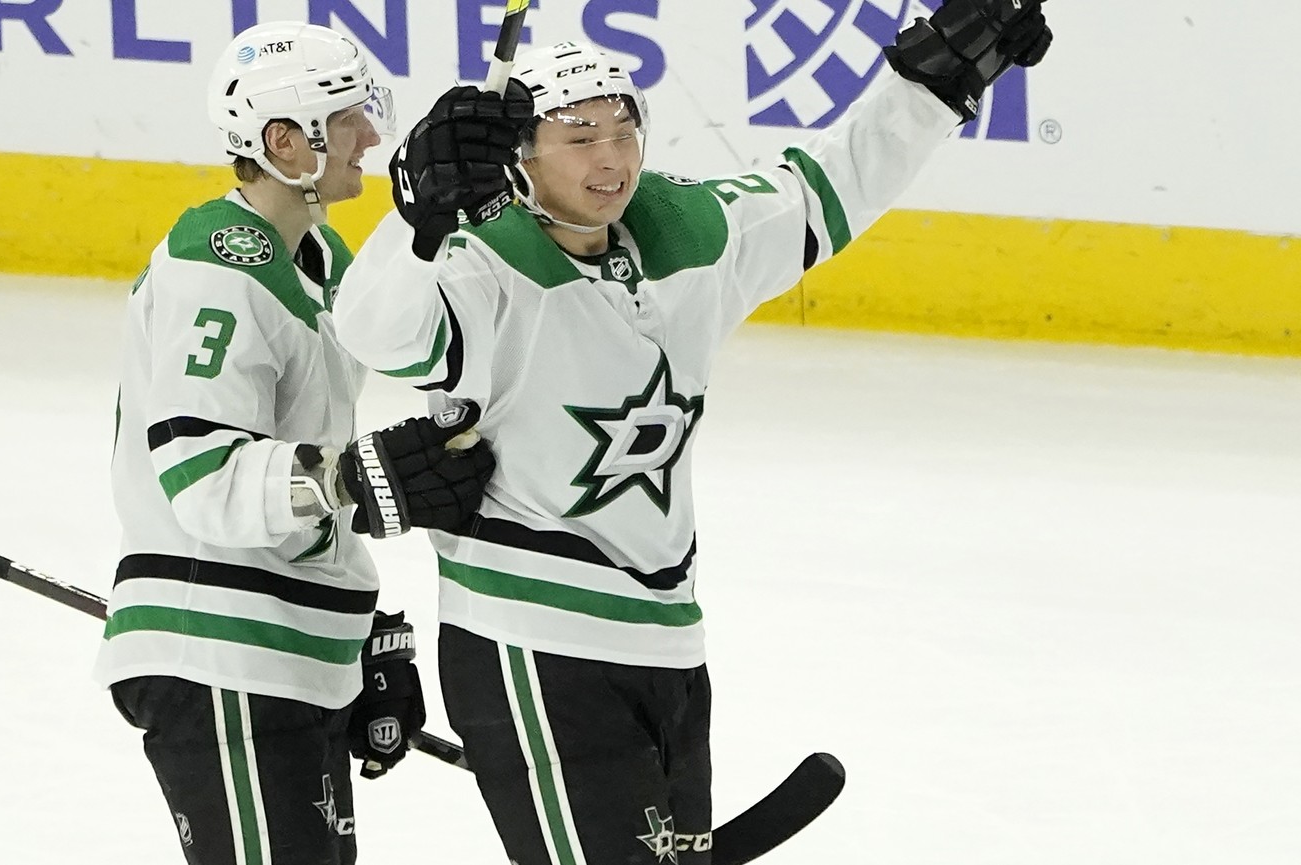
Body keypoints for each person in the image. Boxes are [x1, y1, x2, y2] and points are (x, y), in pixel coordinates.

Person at [333, 2, 1052, 863]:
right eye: (578, 136)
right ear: (518, 160)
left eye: (621, 127)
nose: (610, 157)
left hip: (668, 640)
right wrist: (415, 219)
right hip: (532, 640)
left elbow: (831, 183)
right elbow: (375, 332)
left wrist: (935, 81)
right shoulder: (478, 263)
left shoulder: (690, 231)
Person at [93, 20, 495, 865]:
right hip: (222, 648)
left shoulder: (315, 260)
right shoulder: (217, 263)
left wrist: (362, 631)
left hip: (282, 650)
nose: (371, 138)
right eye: (349, 118)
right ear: (287, 141)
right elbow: (206, 476)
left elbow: (311, 463)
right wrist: (358, 476)